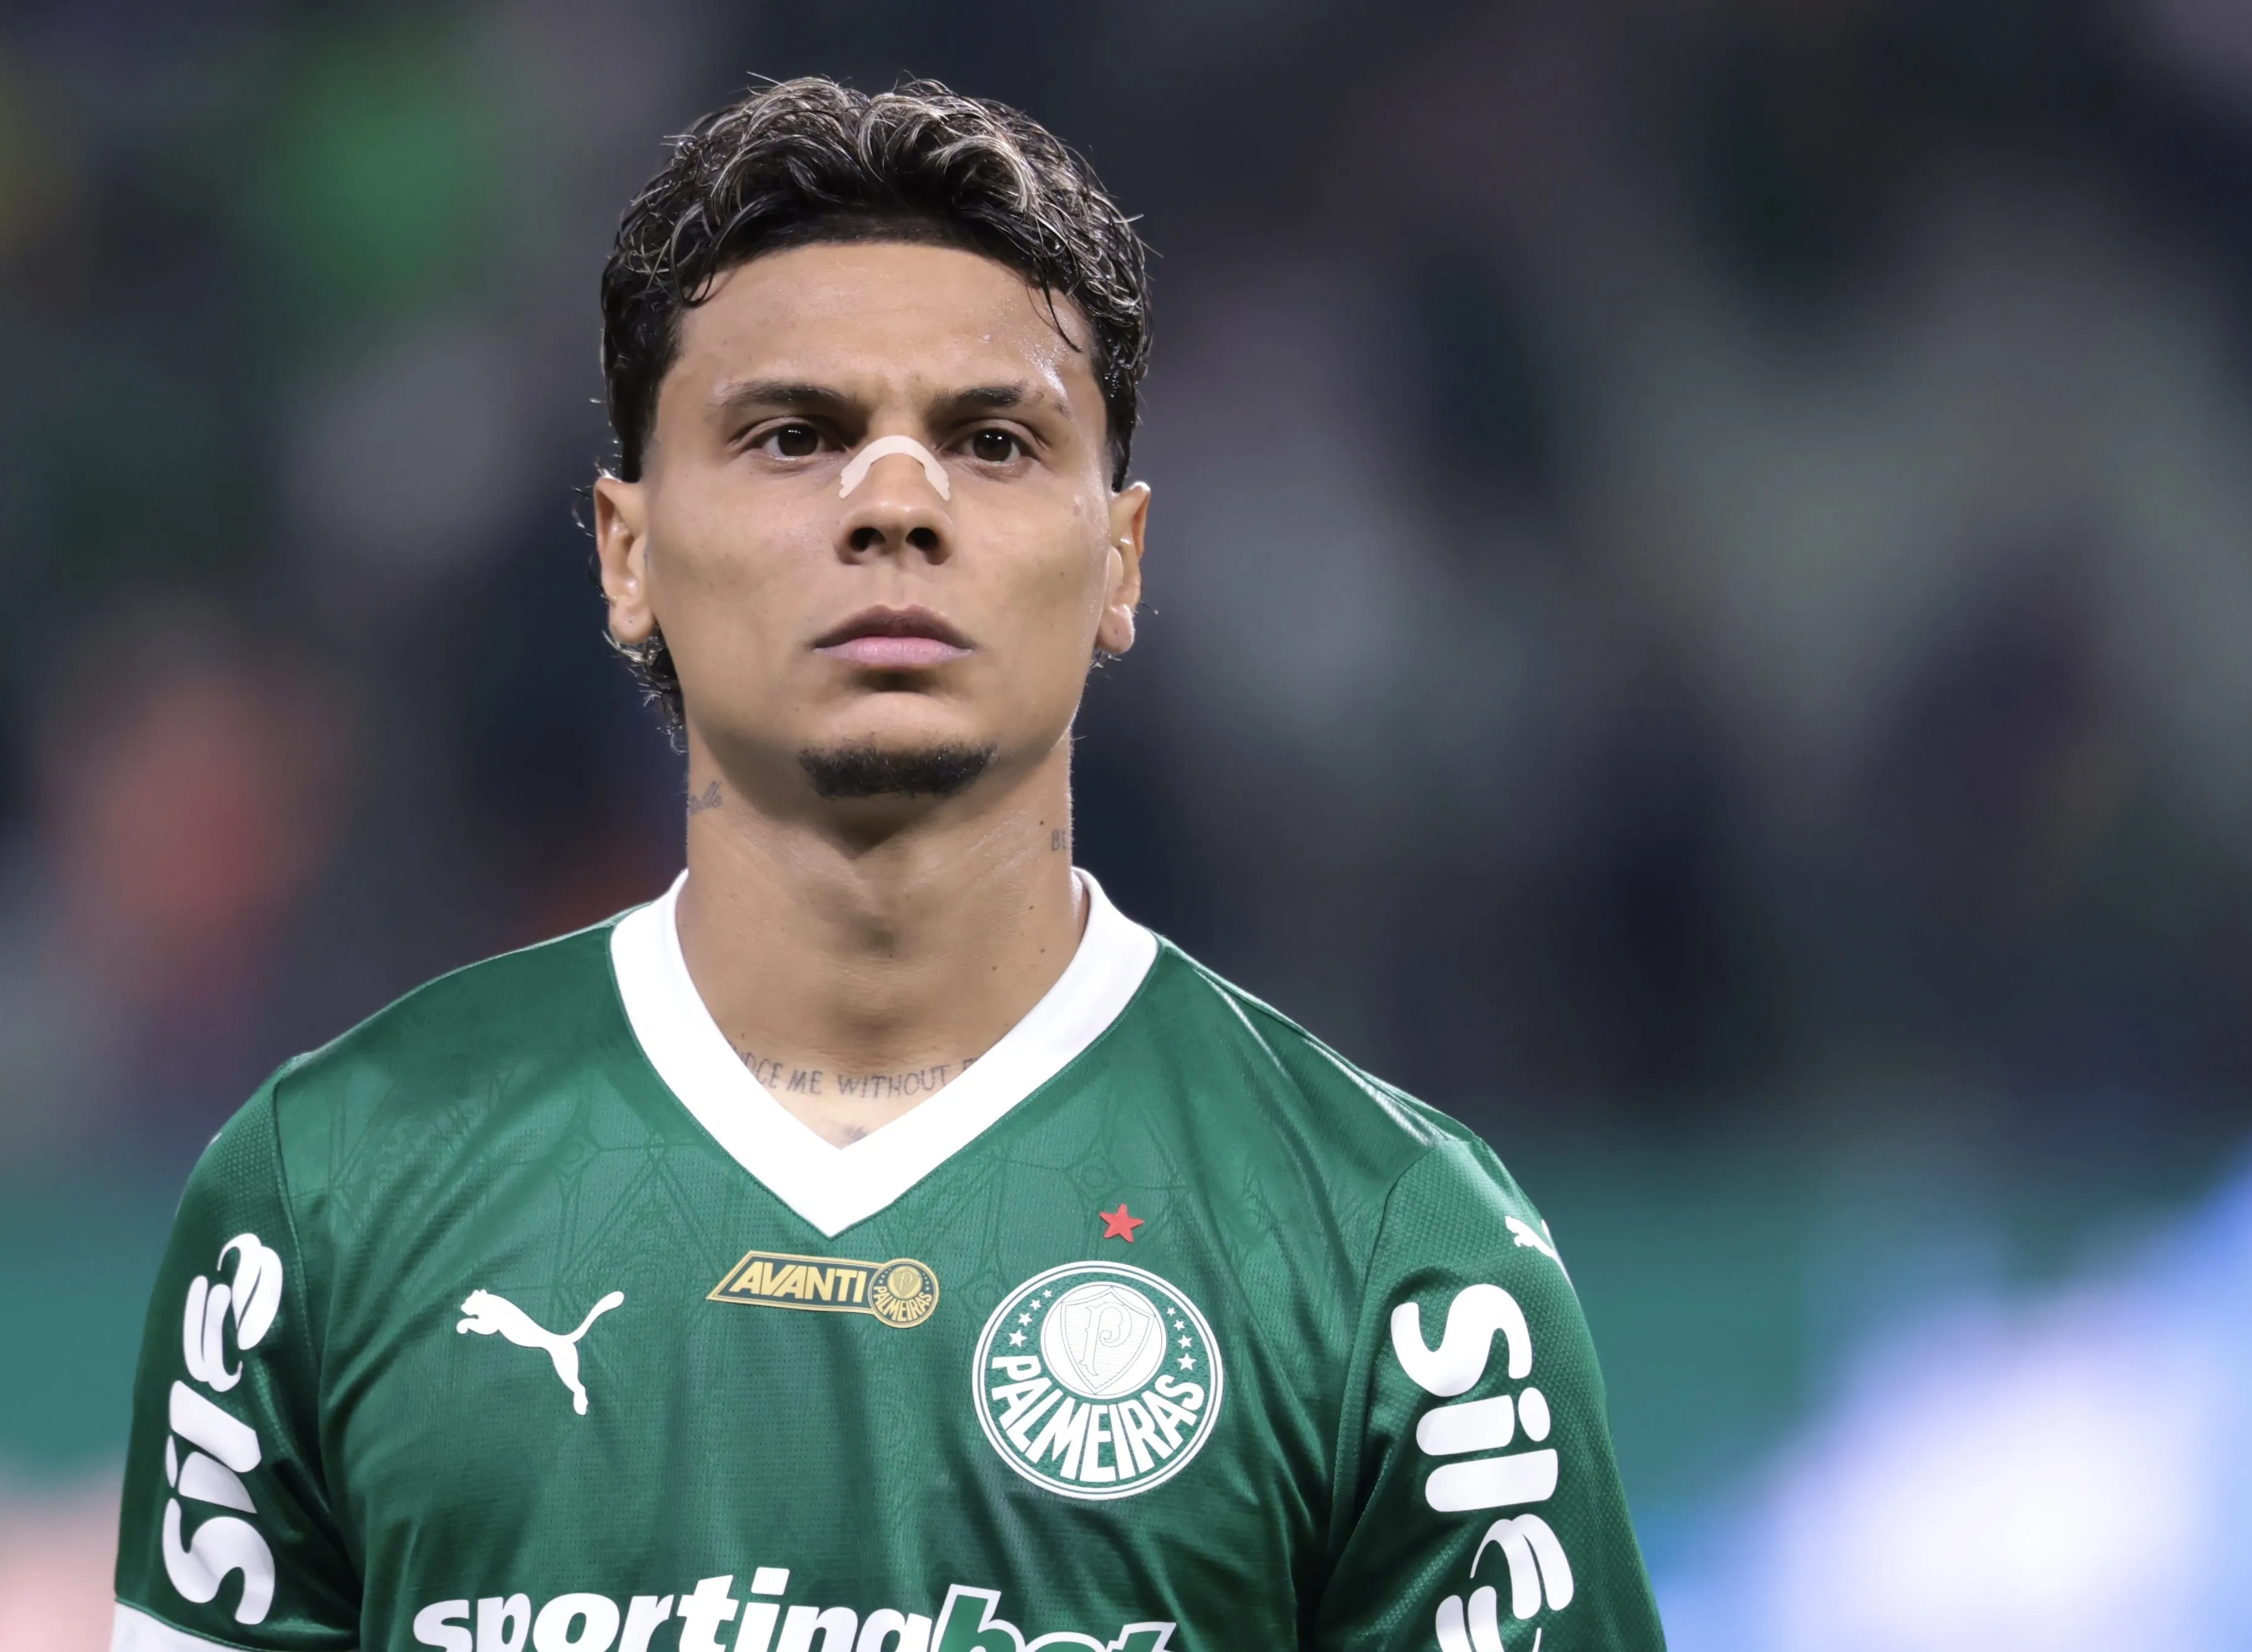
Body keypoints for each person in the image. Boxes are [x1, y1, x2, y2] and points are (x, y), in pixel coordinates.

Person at [111, 78, 1663, 1652]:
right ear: (624, 551)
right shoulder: (325, 1194)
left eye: (992, 442)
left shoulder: (1398, 1256)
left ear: (1120, 556)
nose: (896, 505)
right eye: (795, 436)